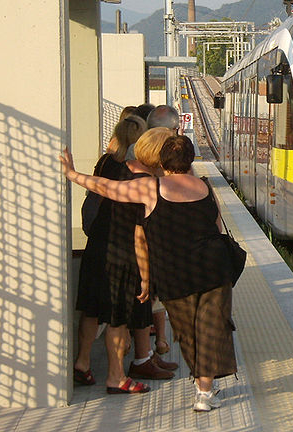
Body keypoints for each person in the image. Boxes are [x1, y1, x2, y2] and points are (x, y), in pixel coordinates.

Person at [61, 135, 236, 412]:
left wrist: (73, 175)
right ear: (190, 160)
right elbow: (217, 228)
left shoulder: (150, 187)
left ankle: (202, 385)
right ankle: (204, 391)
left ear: (161, 161)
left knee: (188, 331)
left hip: (174, 274)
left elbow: (108, 188)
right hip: (213, 268)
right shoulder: (204, 186)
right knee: (212, 328)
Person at [73, 116, 148, 393]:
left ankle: (82, 363)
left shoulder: (105, 162)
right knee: (118, 312)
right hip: (122, 243)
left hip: (98, 238)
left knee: (91, 306)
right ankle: (116, 377)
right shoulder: (137, 171)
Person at [106, 127, 179, 385]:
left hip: (130, 252)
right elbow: (140, 229)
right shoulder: (141, 181)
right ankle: (116, 376)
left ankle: (143, 359)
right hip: (125, 255)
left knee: (139, 310)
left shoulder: (136, 171)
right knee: (119, 316)